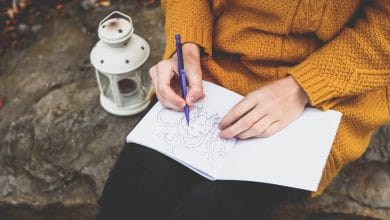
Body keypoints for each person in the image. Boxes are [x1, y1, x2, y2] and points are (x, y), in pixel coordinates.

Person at [97, 0, 390, 219]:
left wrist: (302, 88)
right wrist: (187, 45)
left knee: (210, 209)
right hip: (215, 66)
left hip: (329, 89)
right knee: (129, 197)